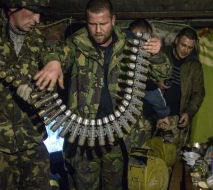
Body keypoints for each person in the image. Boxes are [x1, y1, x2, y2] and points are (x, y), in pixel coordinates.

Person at [37, 0, 171, 189]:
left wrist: (157, 54)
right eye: (92, 24)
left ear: (113, 20)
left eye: (103, 24)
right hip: (83, 139)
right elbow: (56, 50)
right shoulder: (76, 43)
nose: (98, 30)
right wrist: (53, 62)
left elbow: (163, 74)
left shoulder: (131, 44)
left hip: (117, 139)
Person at [0, 0, 62, 189]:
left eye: (41, 14)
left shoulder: (38, 39)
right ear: (13, 7)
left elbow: (53, 64)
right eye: (33, 12)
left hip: (32, 141)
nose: (37, 19)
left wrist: (53, 64)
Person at [158, 27, 205, 155]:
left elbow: (198, 93)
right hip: (154, 115)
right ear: (176, 40)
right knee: (149, 157)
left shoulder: (194, 65)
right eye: (183, 45)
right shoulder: (161, 56)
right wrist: (157, 84)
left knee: (172, 158)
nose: (186, 50)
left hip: (176, 119)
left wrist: (188, 112)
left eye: (190, 47)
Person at [128, 19, 171, 132]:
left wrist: (163, 115)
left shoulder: (149, 58)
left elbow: (155, 89)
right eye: (135, 37)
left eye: (143, 37)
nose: (138, 41)